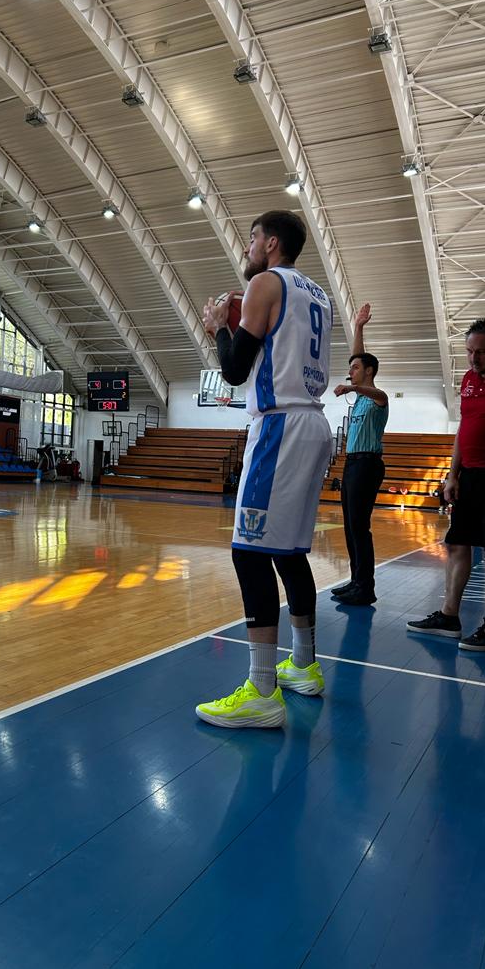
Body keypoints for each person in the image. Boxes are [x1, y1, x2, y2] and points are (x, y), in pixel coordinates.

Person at [195, 209, 333, 729]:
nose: (248, 247)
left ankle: (261, 690)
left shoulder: (265, 283)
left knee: (249, 553)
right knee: (289, 553)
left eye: (252, 238)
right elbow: (276, 350)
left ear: (272, 243)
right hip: (313, 423)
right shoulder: (317, 294)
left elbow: (233, 371)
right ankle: (304, 665)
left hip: (280, 427)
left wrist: (218, 328)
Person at [407, 318, 485, 651]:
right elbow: (464, 429)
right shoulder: (469, 380)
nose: (474, 358)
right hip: (470, 476)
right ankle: (449, 617)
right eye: (469, 351)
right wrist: (452, 475)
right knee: (458, 544)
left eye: (481, 352)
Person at [329, 304, 389, 605]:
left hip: (367, 464)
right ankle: (356, 581)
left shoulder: (377, 398)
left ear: (369, 372)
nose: (350, 371)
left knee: (359, 527)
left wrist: (353, 388)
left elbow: (378, 393)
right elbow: (359, 357)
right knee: (351, 526)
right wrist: (358, 327)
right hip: (352, 464)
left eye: (355, 368)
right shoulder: (361, 394)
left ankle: (366, 587)